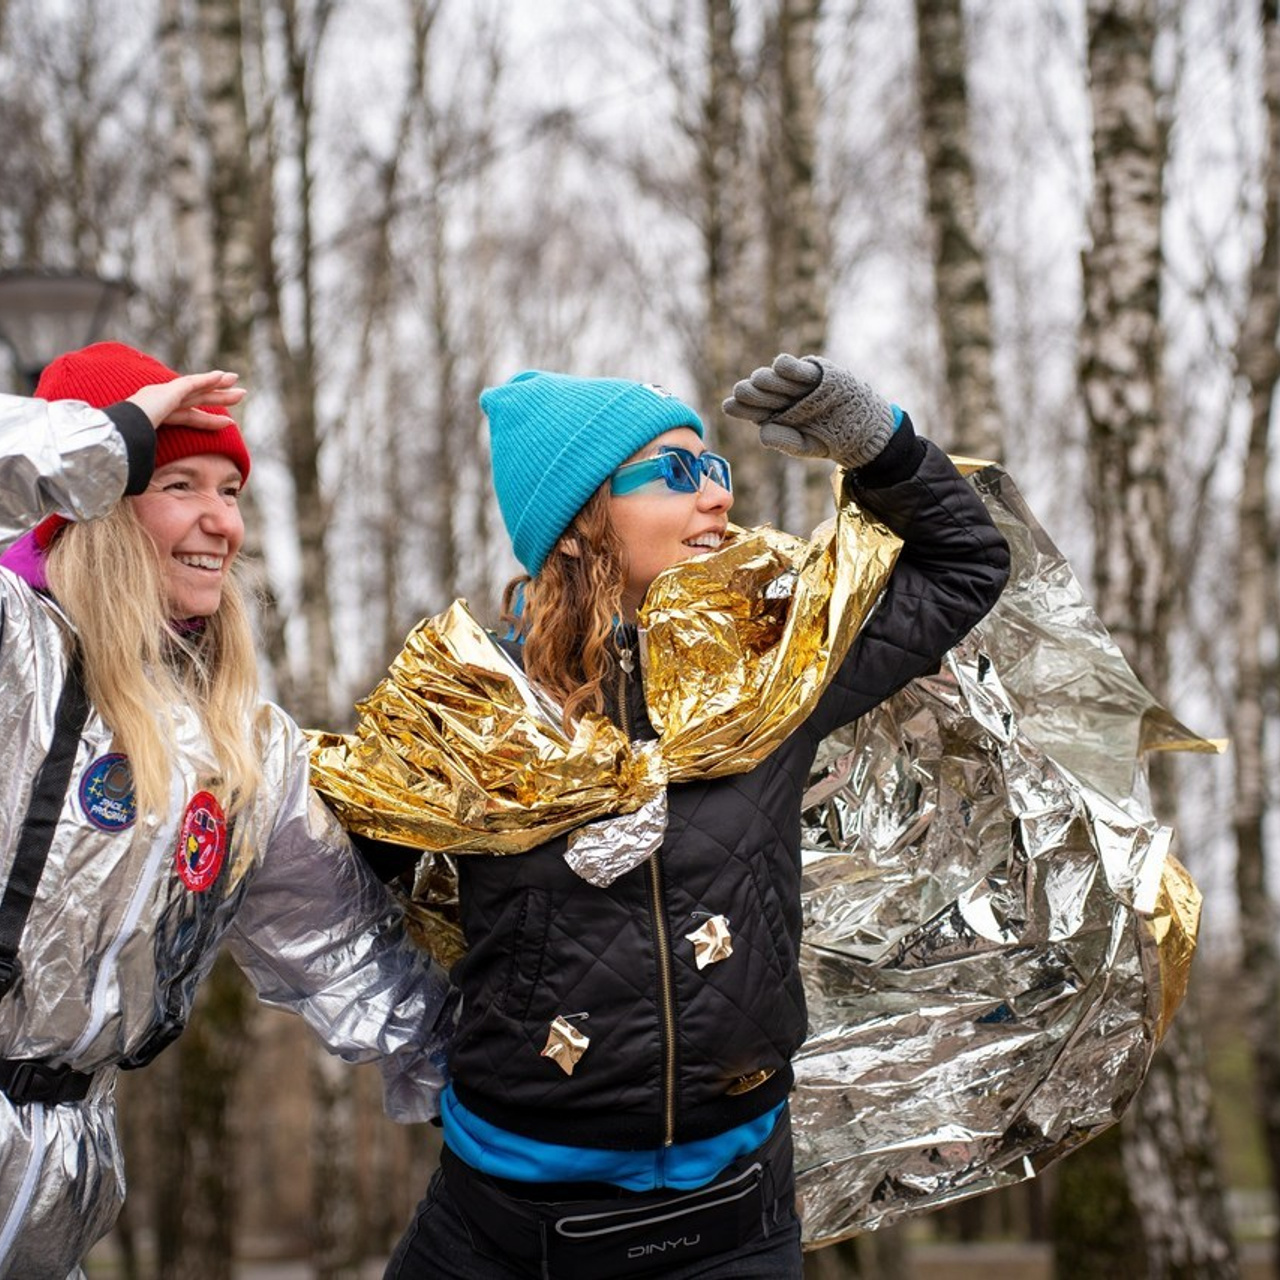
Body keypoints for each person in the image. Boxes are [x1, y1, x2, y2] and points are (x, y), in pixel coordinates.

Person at [367, 352, 1011, 1279]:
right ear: (582, 519)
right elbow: (347, 895)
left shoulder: (768, 674)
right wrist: (442, 1046)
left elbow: (964, 565)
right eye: (675, 472)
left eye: (715, 469)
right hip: (505, 1229)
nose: (715, 495)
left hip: (735, 1225)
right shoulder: (472, 709)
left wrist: (879, 443)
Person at [0, 342, 456, 1278]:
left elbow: (348, 953)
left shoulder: (244, 739)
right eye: (176, 482)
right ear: (93, 494)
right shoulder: (17, 646)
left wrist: (535, 1090)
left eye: (233, 490)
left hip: (65, 1178)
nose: (222, 523)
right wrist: (110, 435)